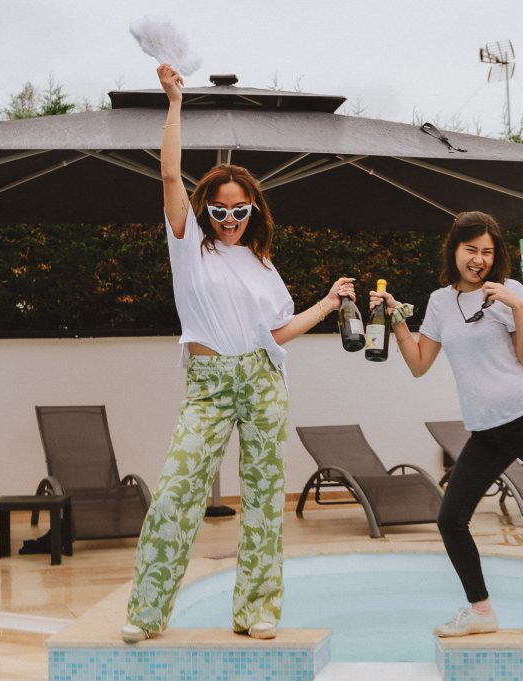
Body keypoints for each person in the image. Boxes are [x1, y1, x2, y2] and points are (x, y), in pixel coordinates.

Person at [122, 64, 356, 644]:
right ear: (207, 210)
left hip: (263, 380)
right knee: (178, 488)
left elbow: (274, 335)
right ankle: (146, 611)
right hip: (207, 381)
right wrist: (174, 105)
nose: (229, 220)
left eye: (239, 211)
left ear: (253, 211)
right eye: (220, 211)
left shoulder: (264, 266)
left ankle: (257, 608)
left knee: (263, 497)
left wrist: (327, 304)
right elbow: (171, 176)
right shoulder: (188, 246)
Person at [370, 211, 523, 641]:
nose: (479, 260)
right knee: (451, 519)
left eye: (487, 252)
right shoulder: (439, 302)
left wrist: (517, 308)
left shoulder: (507, 293)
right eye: (471, 250)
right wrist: (395, 318)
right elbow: (418, 364)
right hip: (487, 430)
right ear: (454, 249)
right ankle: (481, 610)